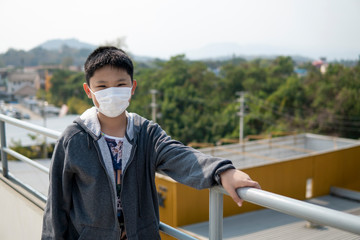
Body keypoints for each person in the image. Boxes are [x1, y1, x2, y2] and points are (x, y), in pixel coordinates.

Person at [41, 46, 261, 240]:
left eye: (120, 84)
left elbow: (179, 155)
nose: (112, 92)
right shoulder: (73, 139)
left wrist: (222, 171)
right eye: (102, 86)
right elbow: (57, 204)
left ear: (132, 87)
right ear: (88, 91)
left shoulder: (146, 133)